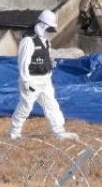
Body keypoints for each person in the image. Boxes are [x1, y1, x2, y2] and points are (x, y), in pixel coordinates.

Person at [9, 10, 78, 141]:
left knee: (52, 105)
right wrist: (26, 81)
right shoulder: (28, 41)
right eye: (49, 28)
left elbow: (45, 57)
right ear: (41, 25)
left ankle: (59, 131)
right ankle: (14, 133)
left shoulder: (46, 42)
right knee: (25, 107)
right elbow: (23, 62)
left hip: (45, 80)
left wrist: (49, 65)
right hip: (32, 81)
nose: (50, 32)